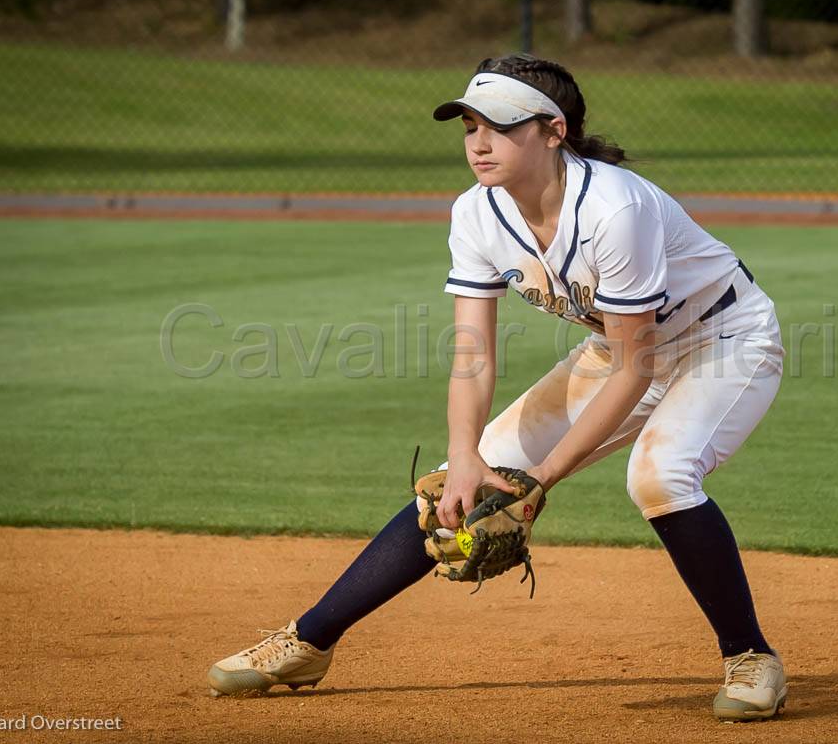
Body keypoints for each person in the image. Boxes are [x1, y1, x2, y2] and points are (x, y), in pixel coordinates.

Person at [207, 54, 788, 722]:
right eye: (469, 126)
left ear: (552, 131)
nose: (479, 142)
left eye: (501, 127)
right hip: (619, 348)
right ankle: (307, 641)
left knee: (660, 476)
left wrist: (541, 477)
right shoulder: (476, 214)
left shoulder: (614, 207)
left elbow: (638, 365)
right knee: (460, 476)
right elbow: (472, 352)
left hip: (725, 340)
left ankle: (751, 657)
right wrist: (469, 457)